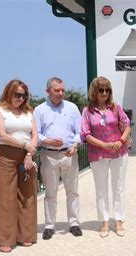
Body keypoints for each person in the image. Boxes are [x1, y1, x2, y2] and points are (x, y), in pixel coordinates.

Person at [0, 79, 38, 252]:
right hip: (6, 155)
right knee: (5, 198)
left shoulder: (29, 113)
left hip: (27, 156)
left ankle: (26, 235)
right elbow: (2, 135)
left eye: (24, 95)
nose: (21, 98)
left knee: (27, 195)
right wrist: (25, 146)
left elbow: (34, 135)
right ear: (9, 93)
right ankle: (4, 240)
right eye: (17, 94)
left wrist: (29, 154)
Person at [81, 76, 131, 238]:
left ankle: (118, 220)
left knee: (119, 187)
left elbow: (127, 125)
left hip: (119, 152)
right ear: (94, 92)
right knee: (101, 189)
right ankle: (104, 221)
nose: (104, 93)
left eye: (107, 90)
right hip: (98, 154)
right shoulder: (87, 111)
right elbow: (85, 134)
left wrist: (121, 140)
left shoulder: (116, 107)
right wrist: (104, 145)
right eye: (100, 90)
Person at [33, 77, 82, 240]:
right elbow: (35, 134)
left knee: (72, 191)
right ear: (48, 91)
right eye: (57, 90)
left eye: (62, 90)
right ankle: (49, 225)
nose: (60, 93)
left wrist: (75, 145)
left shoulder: (72, 108)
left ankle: (74, 223)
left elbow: (79, 131)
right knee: (50, 192)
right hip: (48, 155)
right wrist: (46, 140)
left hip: (70, 154)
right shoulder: (39, 110)